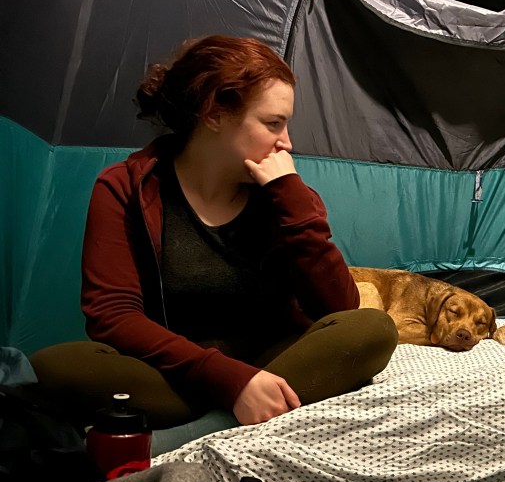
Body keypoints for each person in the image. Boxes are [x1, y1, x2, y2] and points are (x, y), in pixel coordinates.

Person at [29, 35, 398, 429]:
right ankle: (241, 413)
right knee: (52, 365)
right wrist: (231, 382)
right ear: (215, 114)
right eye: (273, 123)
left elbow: (337, 308)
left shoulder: (288, 197)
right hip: (180, 372)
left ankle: (205, 429)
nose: (287, 142)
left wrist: (292, 202)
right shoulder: (125, 187)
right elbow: (112, 316)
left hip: (274, 361)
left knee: (372, 328)